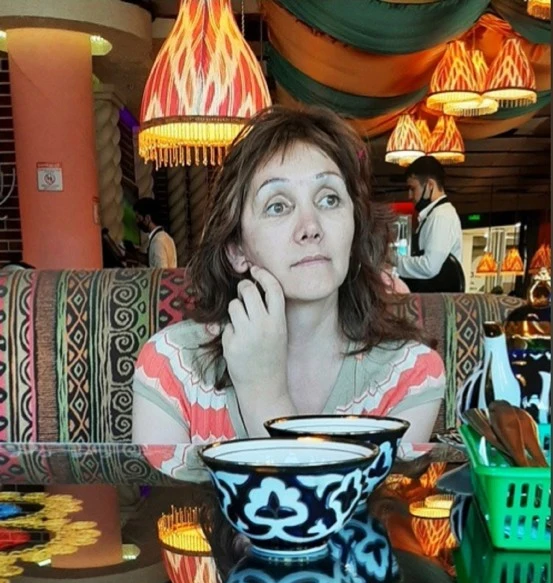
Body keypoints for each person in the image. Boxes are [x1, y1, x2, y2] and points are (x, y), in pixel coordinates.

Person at [133, 107, 445, 477]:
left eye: (329, 199)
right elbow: (173, 508)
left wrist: (265, 394)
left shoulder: (411, 374)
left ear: (355, 225)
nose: (310, 226)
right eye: (278, 206)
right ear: (237, 249)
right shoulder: (170, 366)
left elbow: (353, 514)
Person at [398, 156, 465, 294]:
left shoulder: (441, 215)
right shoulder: (434, 215)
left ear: (430, 185)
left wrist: (394, 262)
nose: (409, 196)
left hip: (439, 301)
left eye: (413, 188)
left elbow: (430, 266)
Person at [133, 198, 178, 268]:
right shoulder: (165, 237)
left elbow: (161, 270)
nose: (137, 221)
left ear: (147, 218)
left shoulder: (157, 241)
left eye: (138, 218)